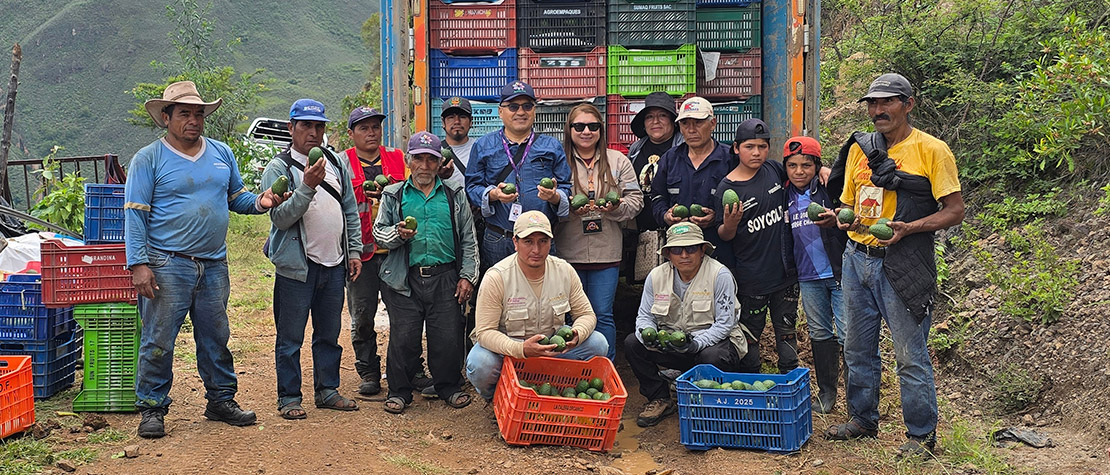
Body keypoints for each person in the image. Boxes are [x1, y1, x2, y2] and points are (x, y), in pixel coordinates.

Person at [126, 80, 287, 438]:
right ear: (166, 117)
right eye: (185, 113)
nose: (194, 120)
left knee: (216, 336)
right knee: (158, 339)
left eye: (198, 113)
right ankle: (152, 407)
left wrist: (263, 202)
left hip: (214, 263)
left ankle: (220, 399)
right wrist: (138, 264)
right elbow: (135, 215)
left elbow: (237, 198)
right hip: (168, 262)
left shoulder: (221, 153)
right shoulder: (148, 159)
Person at [823, 73, 965, 459]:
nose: (877, 110)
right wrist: (839, 218)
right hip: (856, 260)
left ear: (908, 104)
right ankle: (863, 419)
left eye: (887, 102)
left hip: (902, 263)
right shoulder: (860, 149)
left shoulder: (932, 150)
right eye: (872, 103)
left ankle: (921, 435)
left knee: (909, 352)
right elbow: (850, 204)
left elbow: (954, 211)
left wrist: (910, 228)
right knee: (856, 348)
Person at [261, 99, 363, 420]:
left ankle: (327, 390)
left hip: (333, 264)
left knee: (329, 334)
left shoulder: (334, 161)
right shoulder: (278, 169)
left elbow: (349, 208)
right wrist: (306, 187)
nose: (313, 132)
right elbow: (280, 218)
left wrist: (354, 251)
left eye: (319, 126)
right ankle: (289, 397)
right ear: (291, 128)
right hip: (297, 268)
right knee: (290, 338)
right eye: (306, 125)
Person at [372, 131, 479, 414]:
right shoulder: (393, 194)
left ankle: (448, 386)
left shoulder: (455, 195)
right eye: (418, 158)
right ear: (409, 161)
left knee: (446, 337)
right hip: (405, 276)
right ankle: (399, 391)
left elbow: (468, 239)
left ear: (438, 163)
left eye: (430, 160)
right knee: (403, 337)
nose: (424, 166)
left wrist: (467, 276)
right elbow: (378, 233)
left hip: (445, 276)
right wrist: (398, 234)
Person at [465, 211, 609, 402]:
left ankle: (551, 388)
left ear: (551, 242)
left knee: (598, 343)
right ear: (515, 242)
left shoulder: (564, 271)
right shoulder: (497, 277)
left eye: (543, 241)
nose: (536, 249)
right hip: (509, 352)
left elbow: (586, 315)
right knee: (480, 363)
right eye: (528, 241)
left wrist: (578, 333)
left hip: (551, 350)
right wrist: (522, 349)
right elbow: (485, 332)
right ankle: (496, 399)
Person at [624, 223, 749, 427]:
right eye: (677, 250)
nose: (684, 255)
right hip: (673, 344)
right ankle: (660, 398)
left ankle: (707, 402)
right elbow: (644, 317)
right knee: (632, 343)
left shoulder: (720, 275)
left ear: (702, 251)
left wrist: (696, 343)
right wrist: (650, 334)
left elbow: (725, 323)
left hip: (712, 345)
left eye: (691, 248)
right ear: (668, 255)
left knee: (712, 356)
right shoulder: (655, 277)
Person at [554, 103, 643, 360]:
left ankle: (606, 369)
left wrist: (613, 209)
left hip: (606, 251)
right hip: (569, 252)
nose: (586, 132)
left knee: (602, 313)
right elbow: (549, 199)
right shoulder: (559, 160)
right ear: (569, 129)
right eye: (579, 126)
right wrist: (567, 208)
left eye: (593, 126)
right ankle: (573, 369)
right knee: (571, 316)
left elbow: (636, 200)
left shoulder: (618, 160)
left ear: (601, 130)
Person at [715, 119, 800, 375]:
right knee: (750, 335)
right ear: (736, 148)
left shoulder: (774, 169)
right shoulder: (727, 188)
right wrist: (730, 224)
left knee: (787, 332)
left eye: (762, 146)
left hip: (785, 276)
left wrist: (823, 170)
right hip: (752, 279)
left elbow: (801, 172)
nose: (756, 153)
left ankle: (790, 380)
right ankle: (751, 384)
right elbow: (724, 236)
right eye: (750, 146)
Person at [465, 81, 572, 270]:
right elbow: (472, 187)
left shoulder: (551, 146)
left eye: (527, 106)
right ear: (500, 111)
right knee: (499, 294)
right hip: (498, 237)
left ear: (534, 111)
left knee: (541, 294)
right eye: (513, 106)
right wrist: (492, 195)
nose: (521, 112)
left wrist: (555, 197)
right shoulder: (482, 146)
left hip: (539, 240)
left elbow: (565, 185)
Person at [341, 106, 408, 397]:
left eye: (375, 127)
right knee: (362, 315)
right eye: (364, 128)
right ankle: (368, 370)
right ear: (351, 133)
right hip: (361, 254)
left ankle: (408, 368)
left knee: (404, 315)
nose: (371, 133)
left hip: (394, 250)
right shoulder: (341, 163)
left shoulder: (397, 158)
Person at [782, 136, 849, 413]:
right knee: (820, 333)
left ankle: (860, 396)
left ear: (817, 165)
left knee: (849, 335)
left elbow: (852, 213)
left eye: (807, 165)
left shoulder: (829, 186)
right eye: (793, 165)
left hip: (840, 274)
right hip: (808, 277)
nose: (799, 171)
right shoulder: (782, 194)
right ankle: (827, 392)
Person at [649, 97, 736, 268]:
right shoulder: (670, 159)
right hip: (678, 249)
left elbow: (740, 199)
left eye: (698, 122)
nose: (691, 129)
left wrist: (717, 218)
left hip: (718, 247)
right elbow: (657, 197)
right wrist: (666, 216)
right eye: (685, 124)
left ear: (713, 123)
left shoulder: (730, 159)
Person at [438, 96, 476, 189]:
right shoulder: (435, 152)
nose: (457, 122)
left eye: (462, 117)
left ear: (471, 121)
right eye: (451, 117)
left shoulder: (480, 148)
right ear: (443, 122)